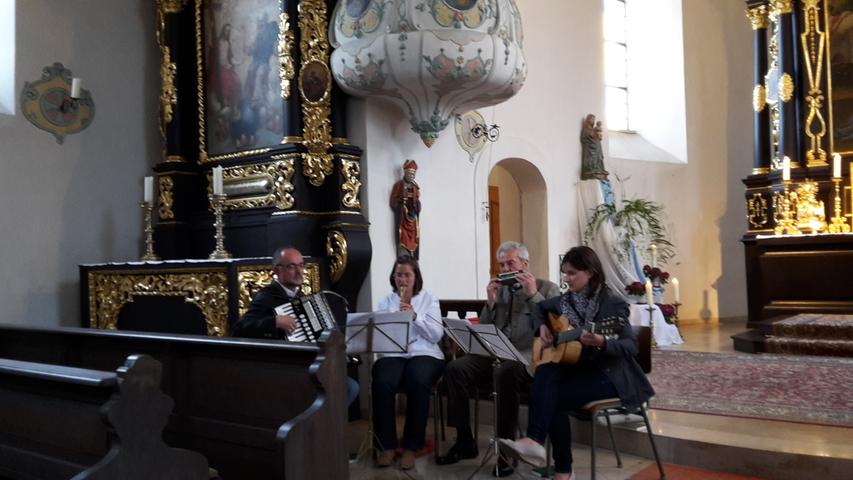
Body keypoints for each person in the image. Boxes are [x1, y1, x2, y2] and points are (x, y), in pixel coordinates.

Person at [498, 246, 655, 480]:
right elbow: (541, 308)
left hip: (610, 375)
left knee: (553, 397)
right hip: (580, 369)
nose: (566, 278)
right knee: (546, 370)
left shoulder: (612, 303)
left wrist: (602, 341)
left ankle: (558, 465)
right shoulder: (567, 301)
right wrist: (541, 326)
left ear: (589, 273)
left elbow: (631, 347)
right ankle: (540, 447)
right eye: (564, 273)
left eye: (572, 273)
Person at [437, 241, 560, 477]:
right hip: (496, 353)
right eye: (501, 264)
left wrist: (533, 295)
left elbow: (554, 327)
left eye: (510, 263)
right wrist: (491, 304)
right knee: (455, 368)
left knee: (505, 372)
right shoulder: (501, 291)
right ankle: (465, 441)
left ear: (524, 264)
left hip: (528, 359)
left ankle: (506, 453)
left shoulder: (548, 288)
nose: (504, 269)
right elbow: (483, 331)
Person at [232, 246, 359, 406]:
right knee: (347, 387)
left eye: (301, 265)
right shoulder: (266, 297)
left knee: (350, 386)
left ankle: (322, 426)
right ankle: (317, 426)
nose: (299, 271)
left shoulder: (303, 298)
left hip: (307, 364)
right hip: (282, 367)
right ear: (277, 270)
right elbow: (240, 328)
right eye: (292, 266)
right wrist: (274, 322)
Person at [372, 255, 445, 470]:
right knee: (382, 379)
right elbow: (380, 334)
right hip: (395, 353)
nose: (402, 280)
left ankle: (412, 447)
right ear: (393, 277)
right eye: (398, 275)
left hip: (425, 353)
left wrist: (415, 317)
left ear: (415, 277)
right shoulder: (386, 301)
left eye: (407, 275)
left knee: (418, 378)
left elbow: (436, 335)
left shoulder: (428, 299)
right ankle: (386, 446)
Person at [389, 159, 421, 258]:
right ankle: (403, 253)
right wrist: (400, 202)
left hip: (412, 215)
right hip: (402, 215)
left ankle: (412, 255)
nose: (411, 176)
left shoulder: (415, 187)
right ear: (405, 173)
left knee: (415, 234)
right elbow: (393, 200)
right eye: (410, 174)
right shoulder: (399, 185)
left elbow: (417, 200)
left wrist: (417, 206)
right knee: (403, 235)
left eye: (413, 175)